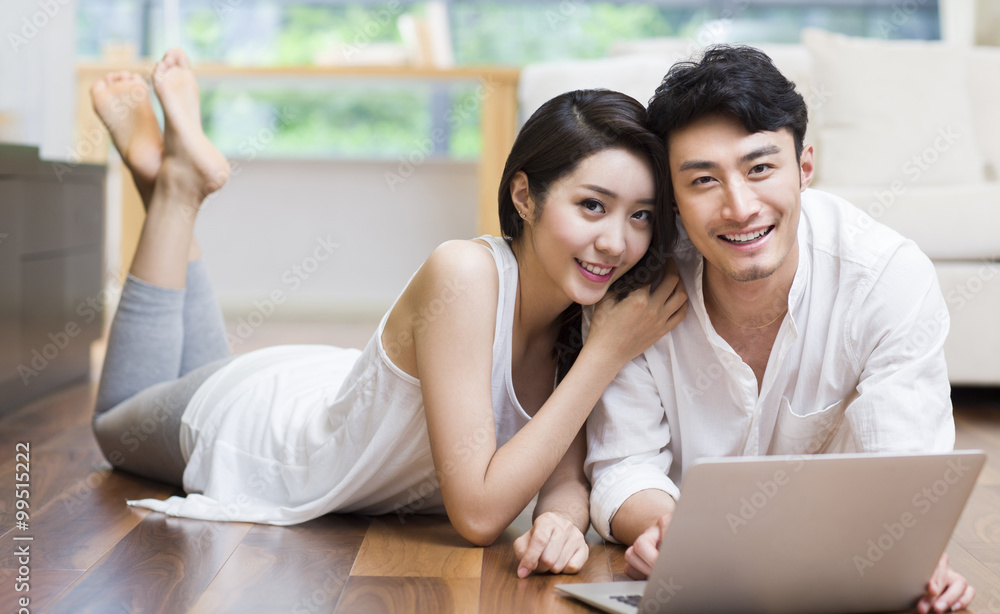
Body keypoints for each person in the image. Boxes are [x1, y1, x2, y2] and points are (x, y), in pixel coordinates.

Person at [89, 49, 689, 578]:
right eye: (592, 205)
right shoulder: (466, 273)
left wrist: (560, 517)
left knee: (192, 369)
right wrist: (606, 355)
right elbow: (480, 515)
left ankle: (173, 185)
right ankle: (172, 190)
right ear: (524, 196)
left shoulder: (588, 304)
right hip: (261, 433)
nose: (616, 242)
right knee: (119, 424)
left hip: (321, 388)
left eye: (640, 215)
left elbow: (563, 462)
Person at [584, 44, 973, 614]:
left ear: (805, 167)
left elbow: (903, 467)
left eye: (760, 168)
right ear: (673, 197)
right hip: (694, 588)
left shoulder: (885, 277)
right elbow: (623, 464)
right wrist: (674, 533)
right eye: (703, 181)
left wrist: (910, 548)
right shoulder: (639, 286)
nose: (740, 208)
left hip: (844, 578)